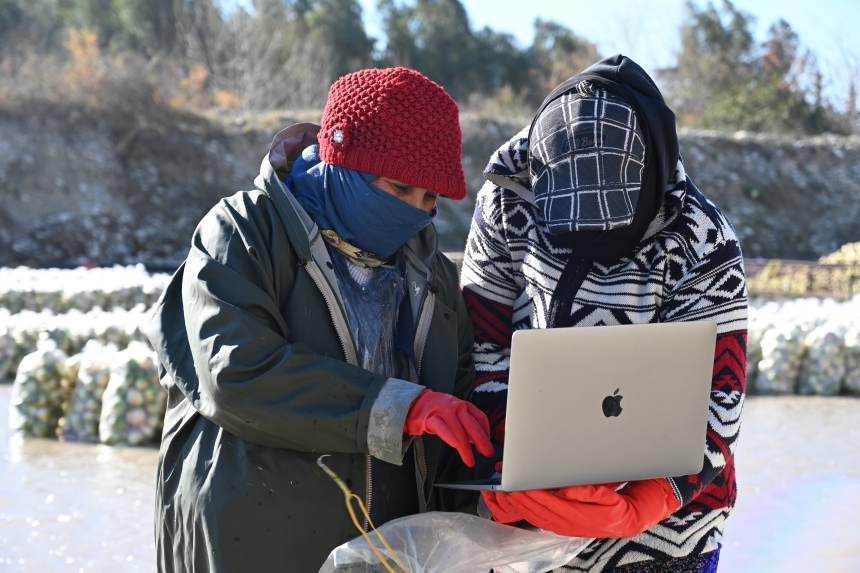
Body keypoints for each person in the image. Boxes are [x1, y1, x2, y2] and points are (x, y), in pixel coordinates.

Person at [144, 67, 493, 573]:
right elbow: (237, 374)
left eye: (431, 200)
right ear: (341, 161)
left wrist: (493, 506)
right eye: (401, 188)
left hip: (392, 553)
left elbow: (460, 404)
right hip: (251, 542)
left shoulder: (433, 274)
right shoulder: (242, 232)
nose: (417, 213)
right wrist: (402, 407)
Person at [462, 55, 747, 573]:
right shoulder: (506, 201)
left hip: (672, 533)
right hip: (525, 528)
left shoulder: (700, 237)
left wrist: (650, 499)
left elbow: (721, 396)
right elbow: (483, 347)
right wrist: (502, 463)